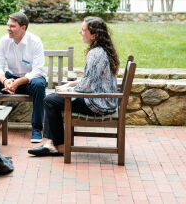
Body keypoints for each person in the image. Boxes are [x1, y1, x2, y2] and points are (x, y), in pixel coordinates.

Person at [28, 16, 120, 156]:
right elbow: (91, 79)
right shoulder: (103, 50)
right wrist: (70, 83)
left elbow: (87, 87)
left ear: (94, 35)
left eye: (83, 30)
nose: (80, 32)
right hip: (104, 100)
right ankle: (51, 143)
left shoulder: (95, 53)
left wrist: (68, 90)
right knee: (52, 98)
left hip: (98, 103)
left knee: (50, 100)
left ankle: (60, 145)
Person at [0, 12, 46, 143]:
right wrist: (5, 81)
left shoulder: (35, 41)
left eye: (12, 26)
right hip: (10, 79)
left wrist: (18, 82)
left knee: (39, 86)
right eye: (8, 25)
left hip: (30, 80)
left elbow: (37, 70)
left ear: (23, 28)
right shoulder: (4, 40)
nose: (8, 29)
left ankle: (37, 129)